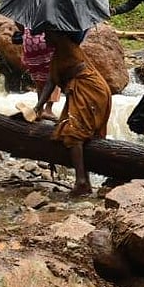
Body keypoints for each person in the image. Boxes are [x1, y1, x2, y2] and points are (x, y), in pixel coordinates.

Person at [33, 28, 111, 197]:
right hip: (85, 90)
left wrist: (39, 106)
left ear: (58, 35)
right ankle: (86, 182)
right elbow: (51, 81)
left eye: (47, 34)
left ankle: (81, 181)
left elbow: (53, 80)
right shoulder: (60, 50)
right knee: (80, 134)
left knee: (74, 133)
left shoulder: (66, 47)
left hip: (90, 91)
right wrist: (38, 106)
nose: (44, 38)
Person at [19, 26, 59, 119]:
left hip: (30, 46)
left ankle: (40, 110)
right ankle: (48, 109)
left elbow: (21, 27)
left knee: (39, 80)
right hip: (45, 44)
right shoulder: (51, 18)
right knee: (55, 76)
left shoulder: (29, 18)